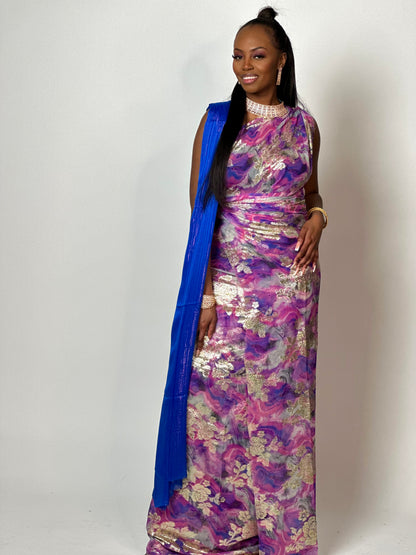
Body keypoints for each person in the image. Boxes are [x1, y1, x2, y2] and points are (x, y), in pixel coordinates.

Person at [145, 7, 326, 554]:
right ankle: (214, 532)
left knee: (281, 414)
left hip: (289, 294)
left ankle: (280, 534)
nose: (245, 65)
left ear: (281, 61)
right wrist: (204, 295)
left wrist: (319, 217)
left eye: (258, 55)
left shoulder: (305, 127)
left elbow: (311, 194)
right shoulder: (218, 121)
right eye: (238, 56)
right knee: (211, 411)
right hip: (227, 287)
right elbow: (201, 209)